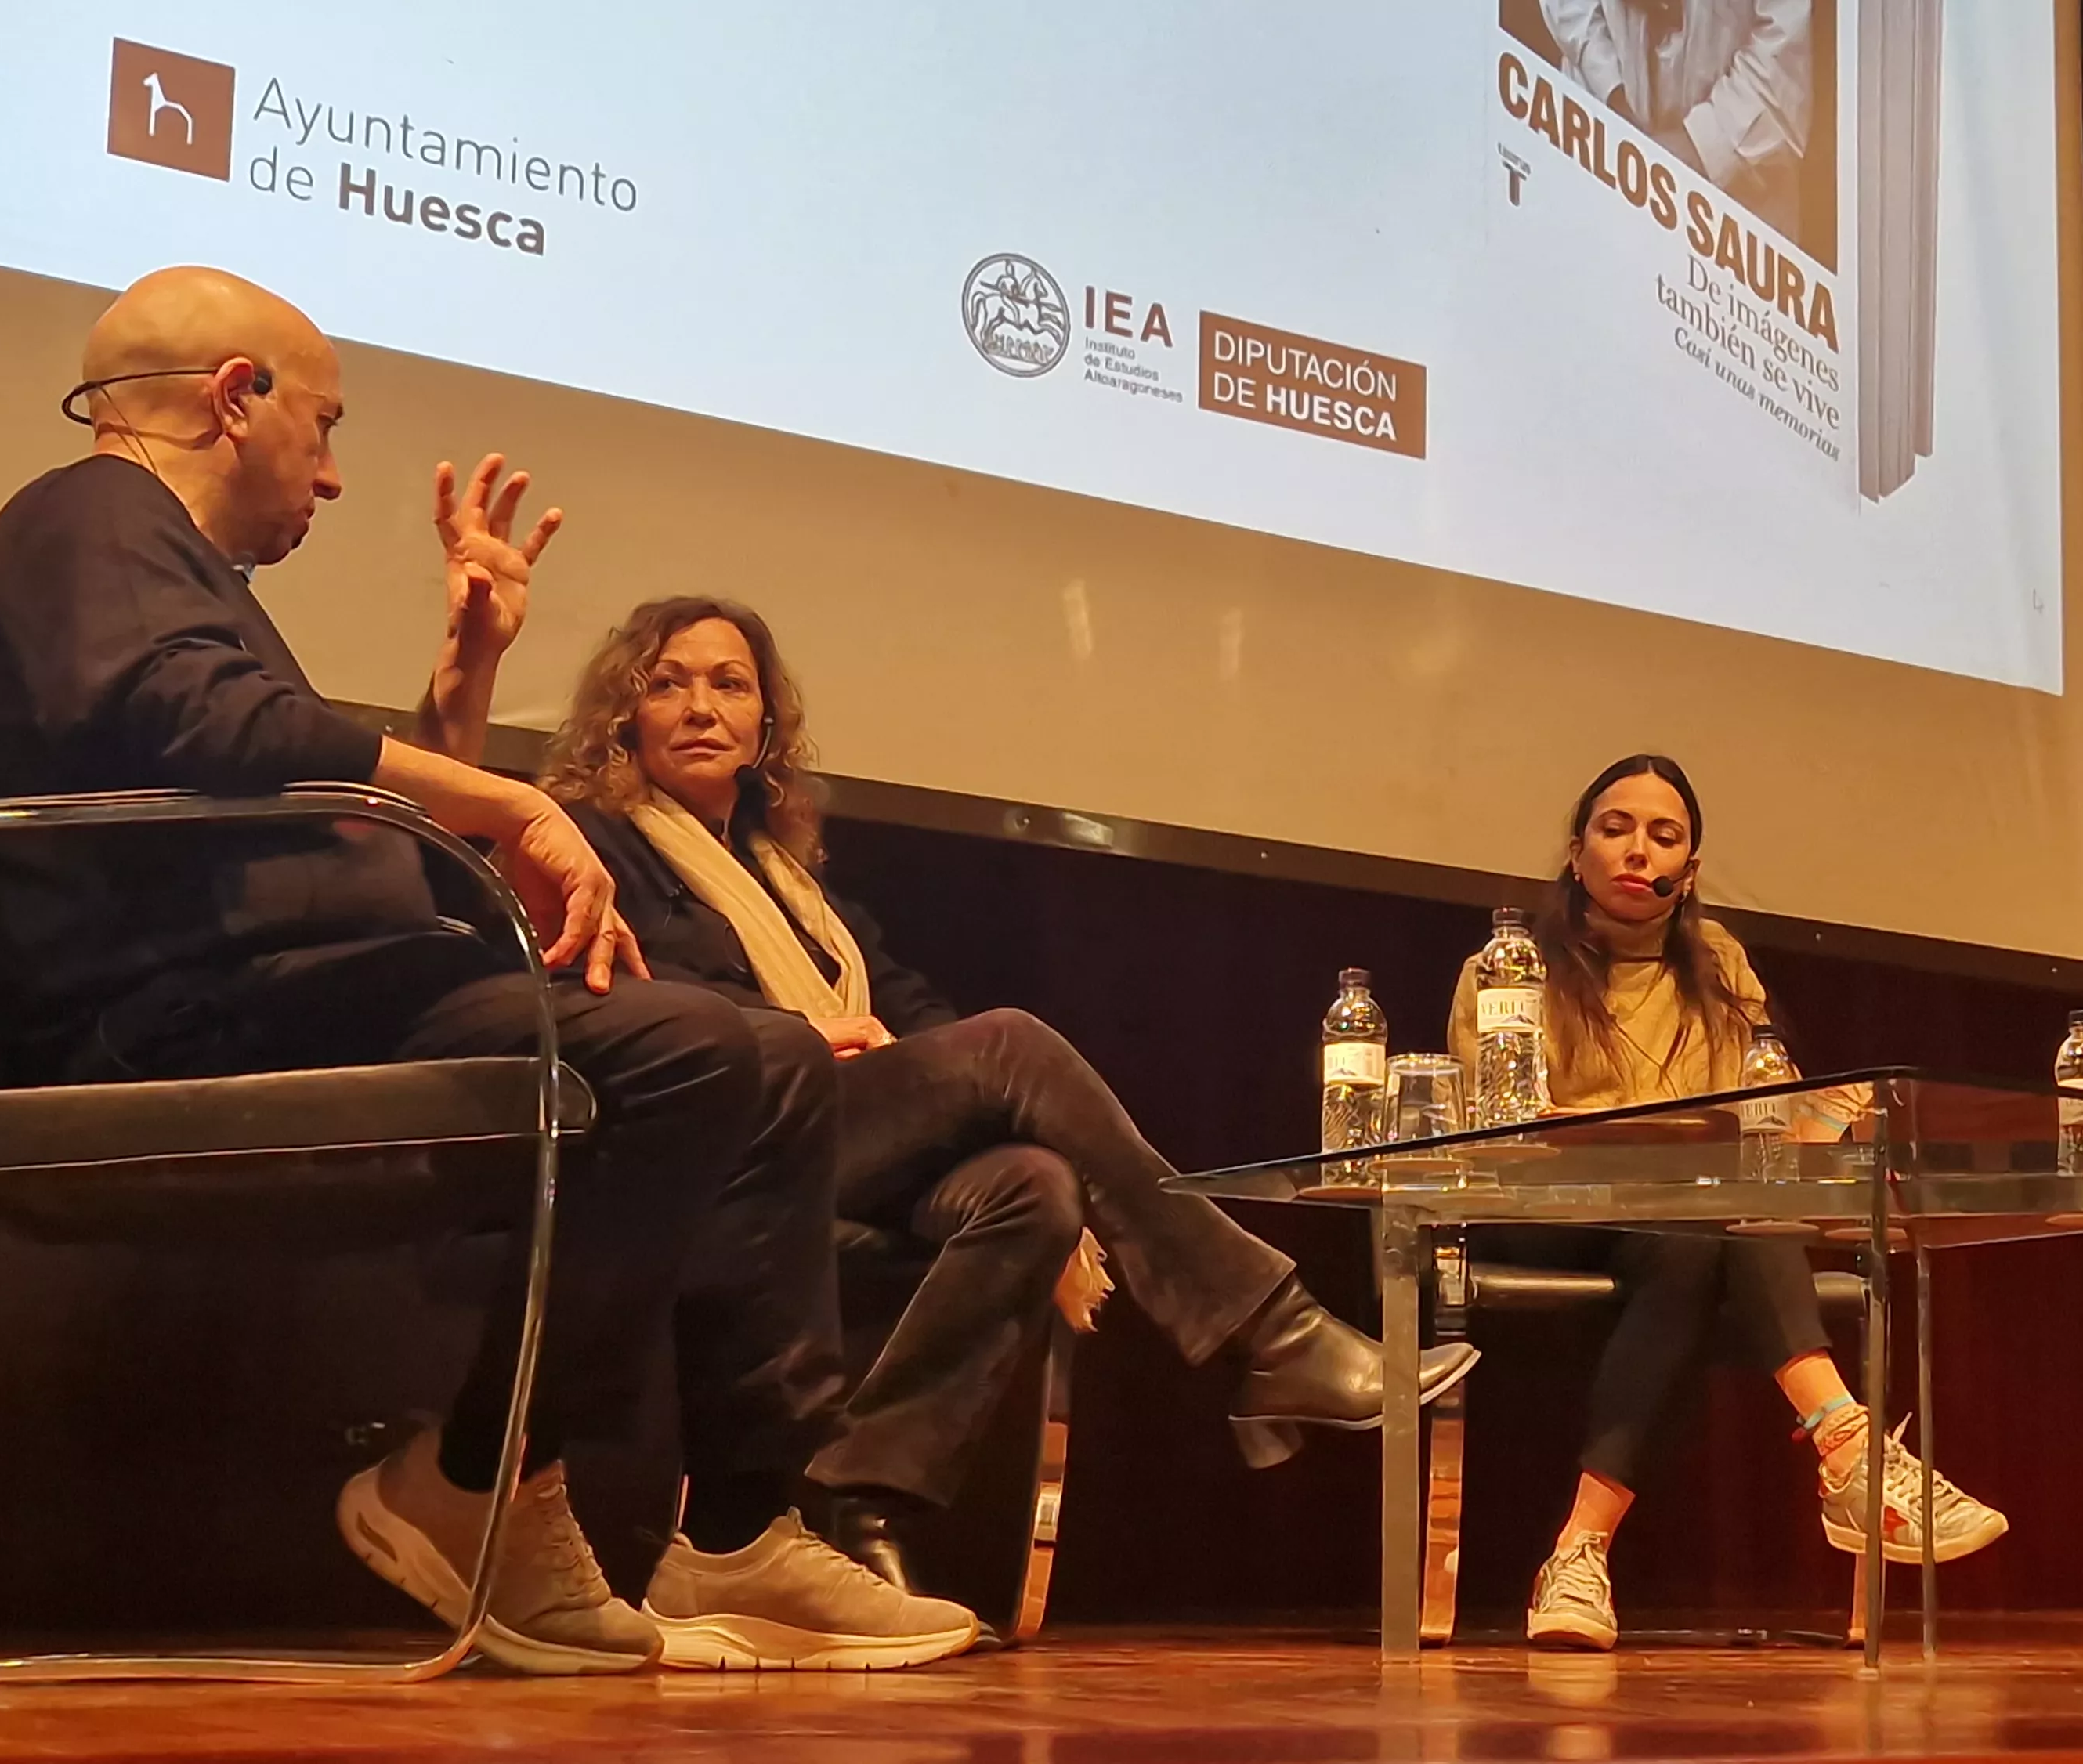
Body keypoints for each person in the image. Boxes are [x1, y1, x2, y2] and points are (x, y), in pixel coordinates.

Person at [0, 266, 977, 1674]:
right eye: (324, 424)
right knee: (705, 1051)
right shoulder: (90, 512)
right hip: (180, 1017)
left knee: (764, 1057)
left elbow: (329, 815)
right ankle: (488, 1473)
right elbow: (207, 720)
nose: (336, 473)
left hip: (296, 990)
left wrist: (466, 677)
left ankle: (734, 1526)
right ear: (237, 400)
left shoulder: (163, 569)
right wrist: (519, 803)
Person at [537, 596, 1481, 1607]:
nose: (699, 705)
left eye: (729, 683)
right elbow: (617, 1003)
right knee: (1012, 1048)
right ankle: (1276, 1334)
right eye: (668, 681)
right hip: (727, 1142)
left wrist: (935, 1073)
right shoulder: (599, 845)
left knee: (1033, 1183)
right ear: (625, 713)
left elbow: (919, 1017)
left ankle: (864, 1500)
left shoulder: (797, 886)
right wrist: (798, 1033)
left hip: (840, 1139)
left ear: (765, 724)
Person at [1449, 754, 2005, 1652]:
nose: (1638, 849)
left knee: (1707, 1227)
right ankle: (1849, 1445)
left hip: (1682, 1224)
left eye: (1664, 835)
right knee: (1714, 1214)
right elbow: (1515, 1124)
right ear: (1576, 849)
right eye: (1615, 826)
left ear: (1690, 871)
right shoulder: (1508, 966)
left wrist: (1829, 1117)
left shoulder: (1717, 964)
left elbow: (1762, 1118)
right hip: (1551, 1211)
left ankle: (1578, 1554)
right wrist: (1677, 1140)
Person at [1540, 0, 1814, 240]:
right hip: (1604, 136)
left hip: (1733, 206)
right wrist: (1612, 92)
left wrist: (1695, 147)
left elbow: (1784, 59)